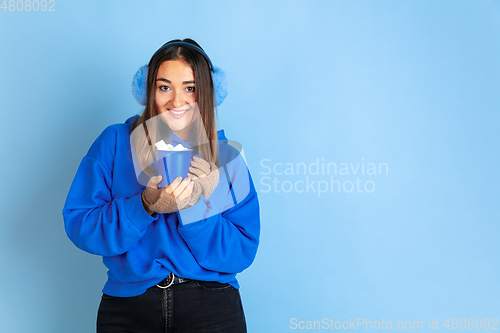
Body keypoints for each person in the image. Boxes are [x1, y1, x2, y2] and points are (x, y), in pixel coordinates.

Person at [62, 38, 260, 333]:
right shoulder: (115, 142)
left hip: (211, 307)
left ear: (208, 93)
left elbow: (241, 251)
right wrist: (143, 205)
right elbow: (80, 225)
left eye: (190, 88)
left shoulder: (226, 156)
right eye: (164, 86)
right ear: (148, 91)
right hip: (129, 308)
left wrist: (199, 208)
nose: (177, 101)